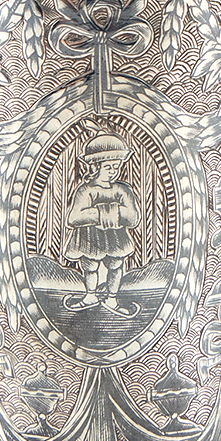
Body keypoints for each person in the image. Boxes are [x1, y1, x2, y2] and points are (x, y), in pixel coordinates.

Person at [63, 133, 141, 318]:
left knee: (115, 265)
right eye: (108, 167)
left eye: (116, 166)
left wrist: (104, 213)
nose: (113, 171)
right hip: (89, 237)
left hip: (115, 237)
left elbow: (133, 218)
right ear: (95, 167)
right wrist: (111, 212)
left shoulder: (122, 189)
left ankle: (112, 299)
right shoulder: (85, 190)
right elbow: (73, 218)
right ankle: (90, 296)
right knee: (90, 266)